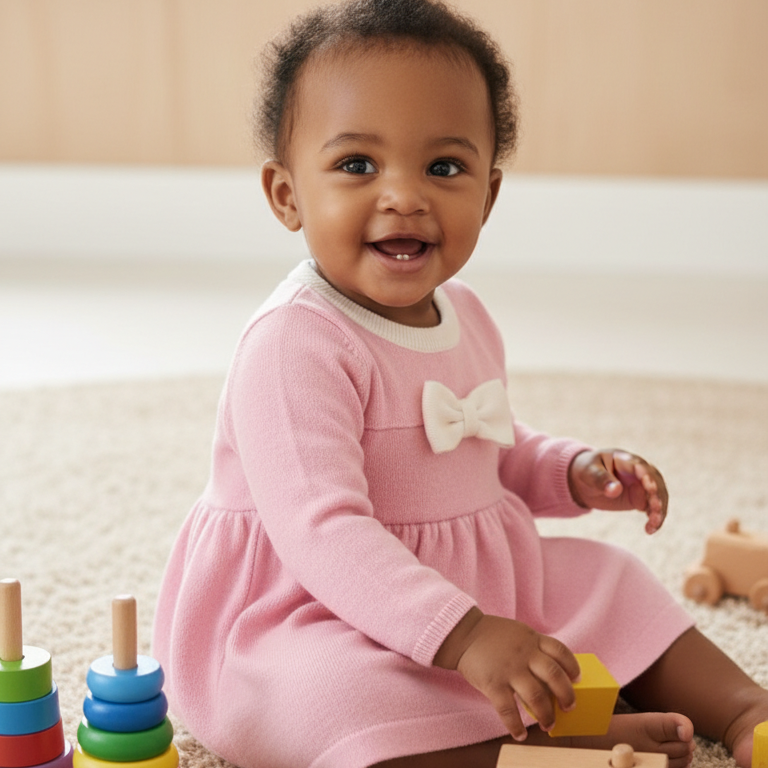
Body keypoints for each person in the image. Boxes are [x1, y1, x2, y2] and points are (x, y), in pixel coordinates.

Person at [152, 1, 768, 766]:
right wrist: (465, 634)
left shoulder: (465, 314)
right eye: (356, 165)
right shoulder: (292, 344)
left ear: (489, 194)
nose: (404, 195)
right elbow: (323, 534)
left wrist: (572, 473)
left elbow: (489, 448)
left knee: (612, 580)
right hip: (307, 605)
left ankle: (746, 711)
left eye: (443, 167)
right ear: (286, 195)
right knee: (331, 694)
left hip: (463, 582)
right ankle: (548, 753)